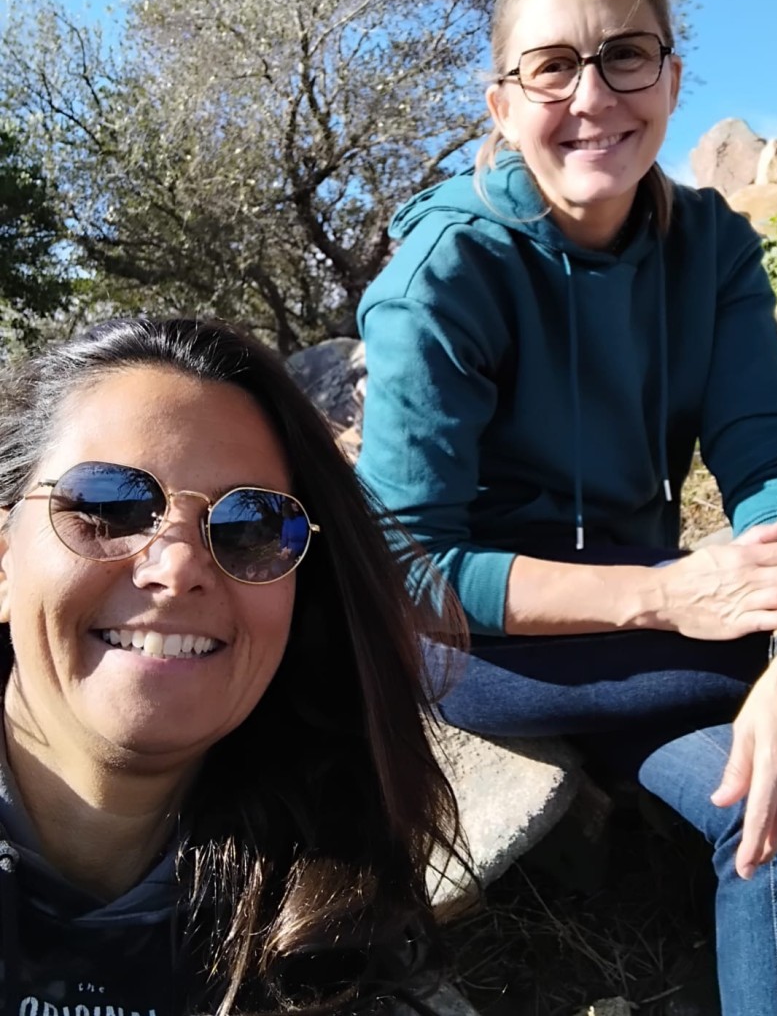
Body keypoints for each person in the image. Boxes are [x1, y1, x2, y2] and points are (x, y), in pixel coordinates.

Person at [357, 0, 777, 1014]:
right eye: (550, 66)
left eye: (624, 56)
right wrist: (670, 598)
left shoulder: (712, 247)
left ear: (671, 80)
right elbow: (406, 567)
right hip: (482, 640)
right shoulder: (445, 273)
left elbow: (772, 453)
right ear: (501, 104)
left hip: (654, 617)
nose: (591, 96)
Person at [0, 317, 464, 1016]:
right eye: (107, 505)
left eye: (253, 525)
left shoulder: (340, 933)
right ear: (5, 561)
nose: (179, 566)